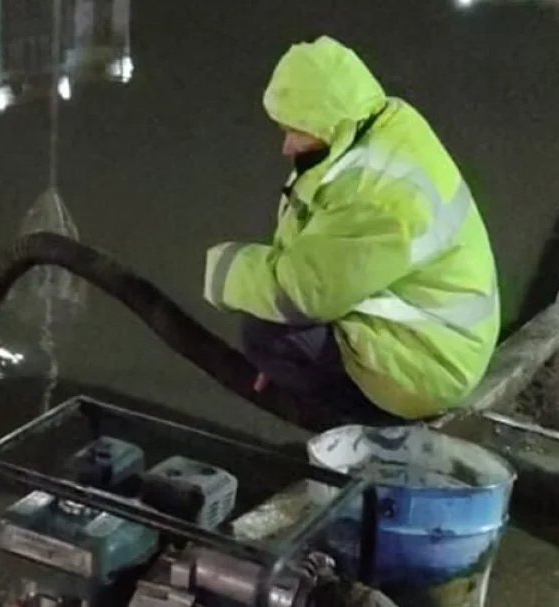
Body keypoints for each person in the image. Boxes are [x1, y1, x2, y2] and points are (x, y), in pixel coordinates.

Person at [203, 36, 500, 428]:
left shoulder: (375, 194)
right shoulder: (380, 129)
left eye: (295, 130)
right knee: (279, 319)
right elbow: (319, 242)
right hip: (441, 331)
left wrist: (222, 271)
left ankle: (369, 426)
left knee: (268, 333)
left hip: (430, 367)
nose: (286, 147)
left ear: (328, 121)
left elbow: (302, 293)